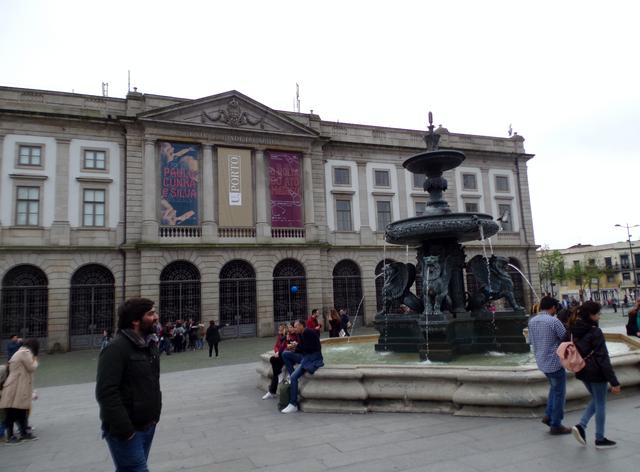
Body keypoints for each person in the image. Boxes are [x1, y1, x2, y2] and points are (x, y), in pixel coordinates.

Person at [96, 298, 161, 472]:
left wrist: (155, 415)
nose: (156, 317)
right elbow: (106, 392)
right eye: (151, 313)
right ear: (135, 320)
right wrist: (126, 430)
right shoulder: (115, 348)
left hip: (147, 425)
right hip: (127, 430)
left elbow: (153, 382)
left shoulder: (149, 346)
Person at [568, 301, 621, 449]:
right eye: (598, 313)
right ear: (591, 315)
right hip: (596, 372)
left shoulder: (574, 328)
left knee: (597, 400)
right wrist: (614, 381)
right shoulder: (595, 331)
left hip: (582, 369)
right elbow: (603, 358)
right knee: (601, 403)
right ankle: (599, 438)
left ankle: (581, 426)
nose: (599, 316)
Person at [527, 296, 571, 434]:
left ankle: (548, 415)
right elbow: (566, 338)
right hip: (555, 363)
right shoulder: (554, 321)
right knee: (559, 393)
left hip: (541, 361)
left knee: (554, 389)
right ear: (553, 307)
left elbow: (530, 341)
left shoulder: (532, 321)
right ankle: (556, 424)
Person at [280, 320, 324, 413]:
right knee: (285, 354)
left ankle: (293, 404)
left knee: (294, 377)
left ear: (301, 326)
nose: (294, 329)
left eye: (296, 327)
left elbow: (309, 348)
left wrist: (296, 347)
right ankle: (293, 379)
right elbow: (302, 348)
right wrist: (295, 346)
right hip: (305, 356)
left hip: (312, 358)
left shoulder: (307, 332)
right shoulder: (301, 333)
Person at [0, 338, 39, 443]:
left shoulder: (20, 352)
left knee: (19, 411)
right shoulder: (24, 352)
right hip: (17, 387)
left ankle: (22, 433)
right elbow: (31, 367)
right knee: (14, 412)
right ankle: (13, 435)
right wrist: (35, 359)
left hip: (17, 386)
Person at [262, 324, 289, 400]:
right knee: (274, 368)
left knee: (273, 362)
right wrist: (277, 352)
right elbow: (276, 346)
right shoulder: (279, 337)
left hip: (285, 356)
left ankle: (271, 392)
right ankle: (271, 391)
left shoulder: (287, 337)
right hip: (280, 356)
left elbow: (286, 347)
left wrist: (279, 353)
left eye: (281, 329)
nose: (279, 330)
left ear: (285, 329)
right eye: (279, 329)